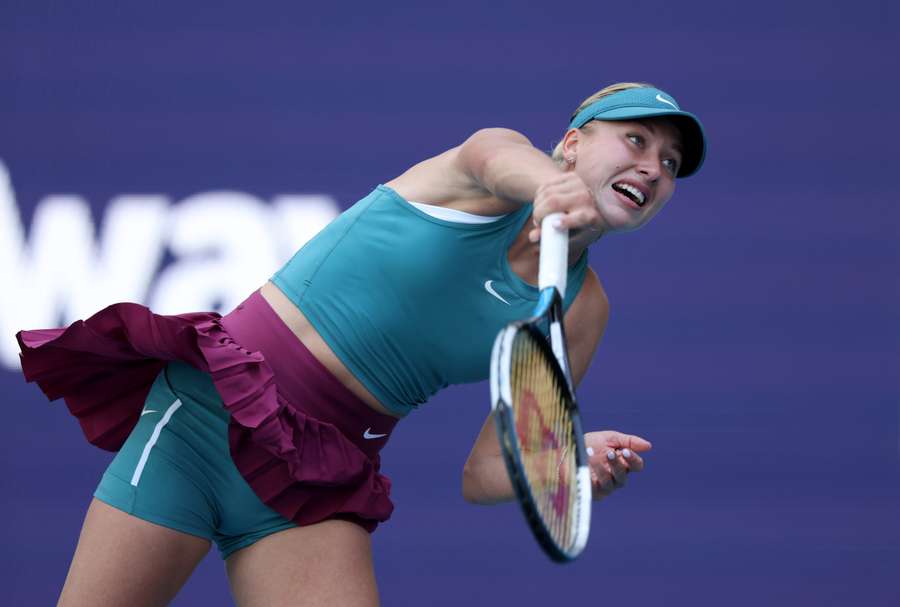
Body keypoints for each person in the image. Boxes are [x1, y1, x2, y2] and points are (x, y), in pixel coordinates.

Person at [17, 81, 706, 606]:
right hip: (203, 425)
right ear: (574, 141)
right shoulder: (487, 167)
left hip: (313, 482)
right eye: (636, 140)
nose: (653, 167)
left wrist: (567, 464)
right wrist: (548, 188)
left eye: (670, 161)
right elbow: (502, 161)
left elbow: (486, 473)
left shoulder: (581, 310)